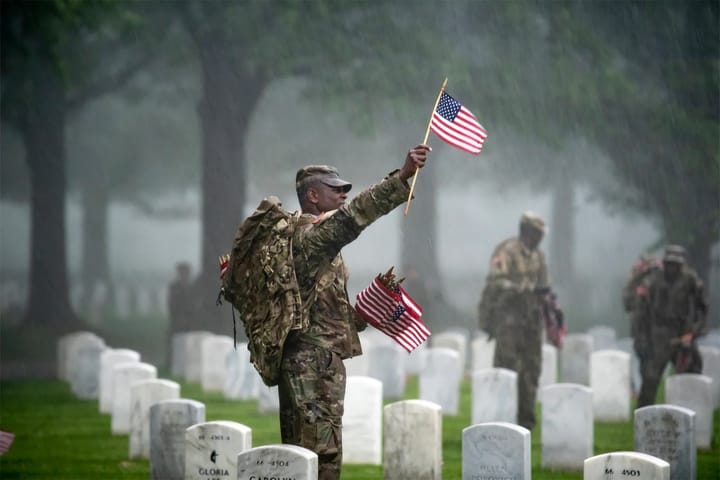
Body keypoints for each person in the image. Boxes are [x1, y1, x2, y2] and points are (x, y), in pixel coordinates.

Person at [279, 144, 430, 479]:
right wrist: (402, 176)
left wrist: (366, 309)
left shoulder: (320, 245)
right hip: (309, 364)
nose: (344, 194)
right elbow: (354, 217)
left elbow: (326, 311)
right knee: (310, 454)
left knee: (327, 453)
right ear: (313, 196)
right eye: (336, 189)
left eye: (346, 188)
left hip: (323, 360)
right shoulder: (309, 235)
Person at [477, 211, 550, 430]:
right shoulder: (506, 251)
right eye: (537, 233)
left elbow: (545, 283)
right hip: (509, 318)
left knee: (532, 369)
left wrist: (542, 296)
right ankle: (501, 416)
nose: (540, 238)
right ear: (527, 231)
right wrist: (520, 289)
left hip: (531, 319)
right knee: (506, 368)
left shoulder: (539, 256)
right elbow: (495, 280)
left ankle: (526, 420)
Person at [634, 244, 708, 408]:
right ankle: (644, 417)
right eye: (670, 264)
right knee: (650, 380)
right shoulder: (652, 280)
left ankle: (692, 413)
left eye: (676, 265)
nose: (672, 268)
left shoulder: (690, 280)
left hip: (683, 334)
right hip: (658, 335)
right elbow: (641, 312)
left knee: (691, 376)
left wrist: (692, 333)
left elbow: (701, 308)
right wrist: (642, 339)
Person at [166, 262, 195, 366]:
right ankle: (172, 363)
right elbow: (172, 304)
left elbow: (194, 304)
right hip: (177, 321)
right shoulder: (174, 288)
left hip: (190, 322)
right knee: (175, 345)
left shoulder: (192, 287)